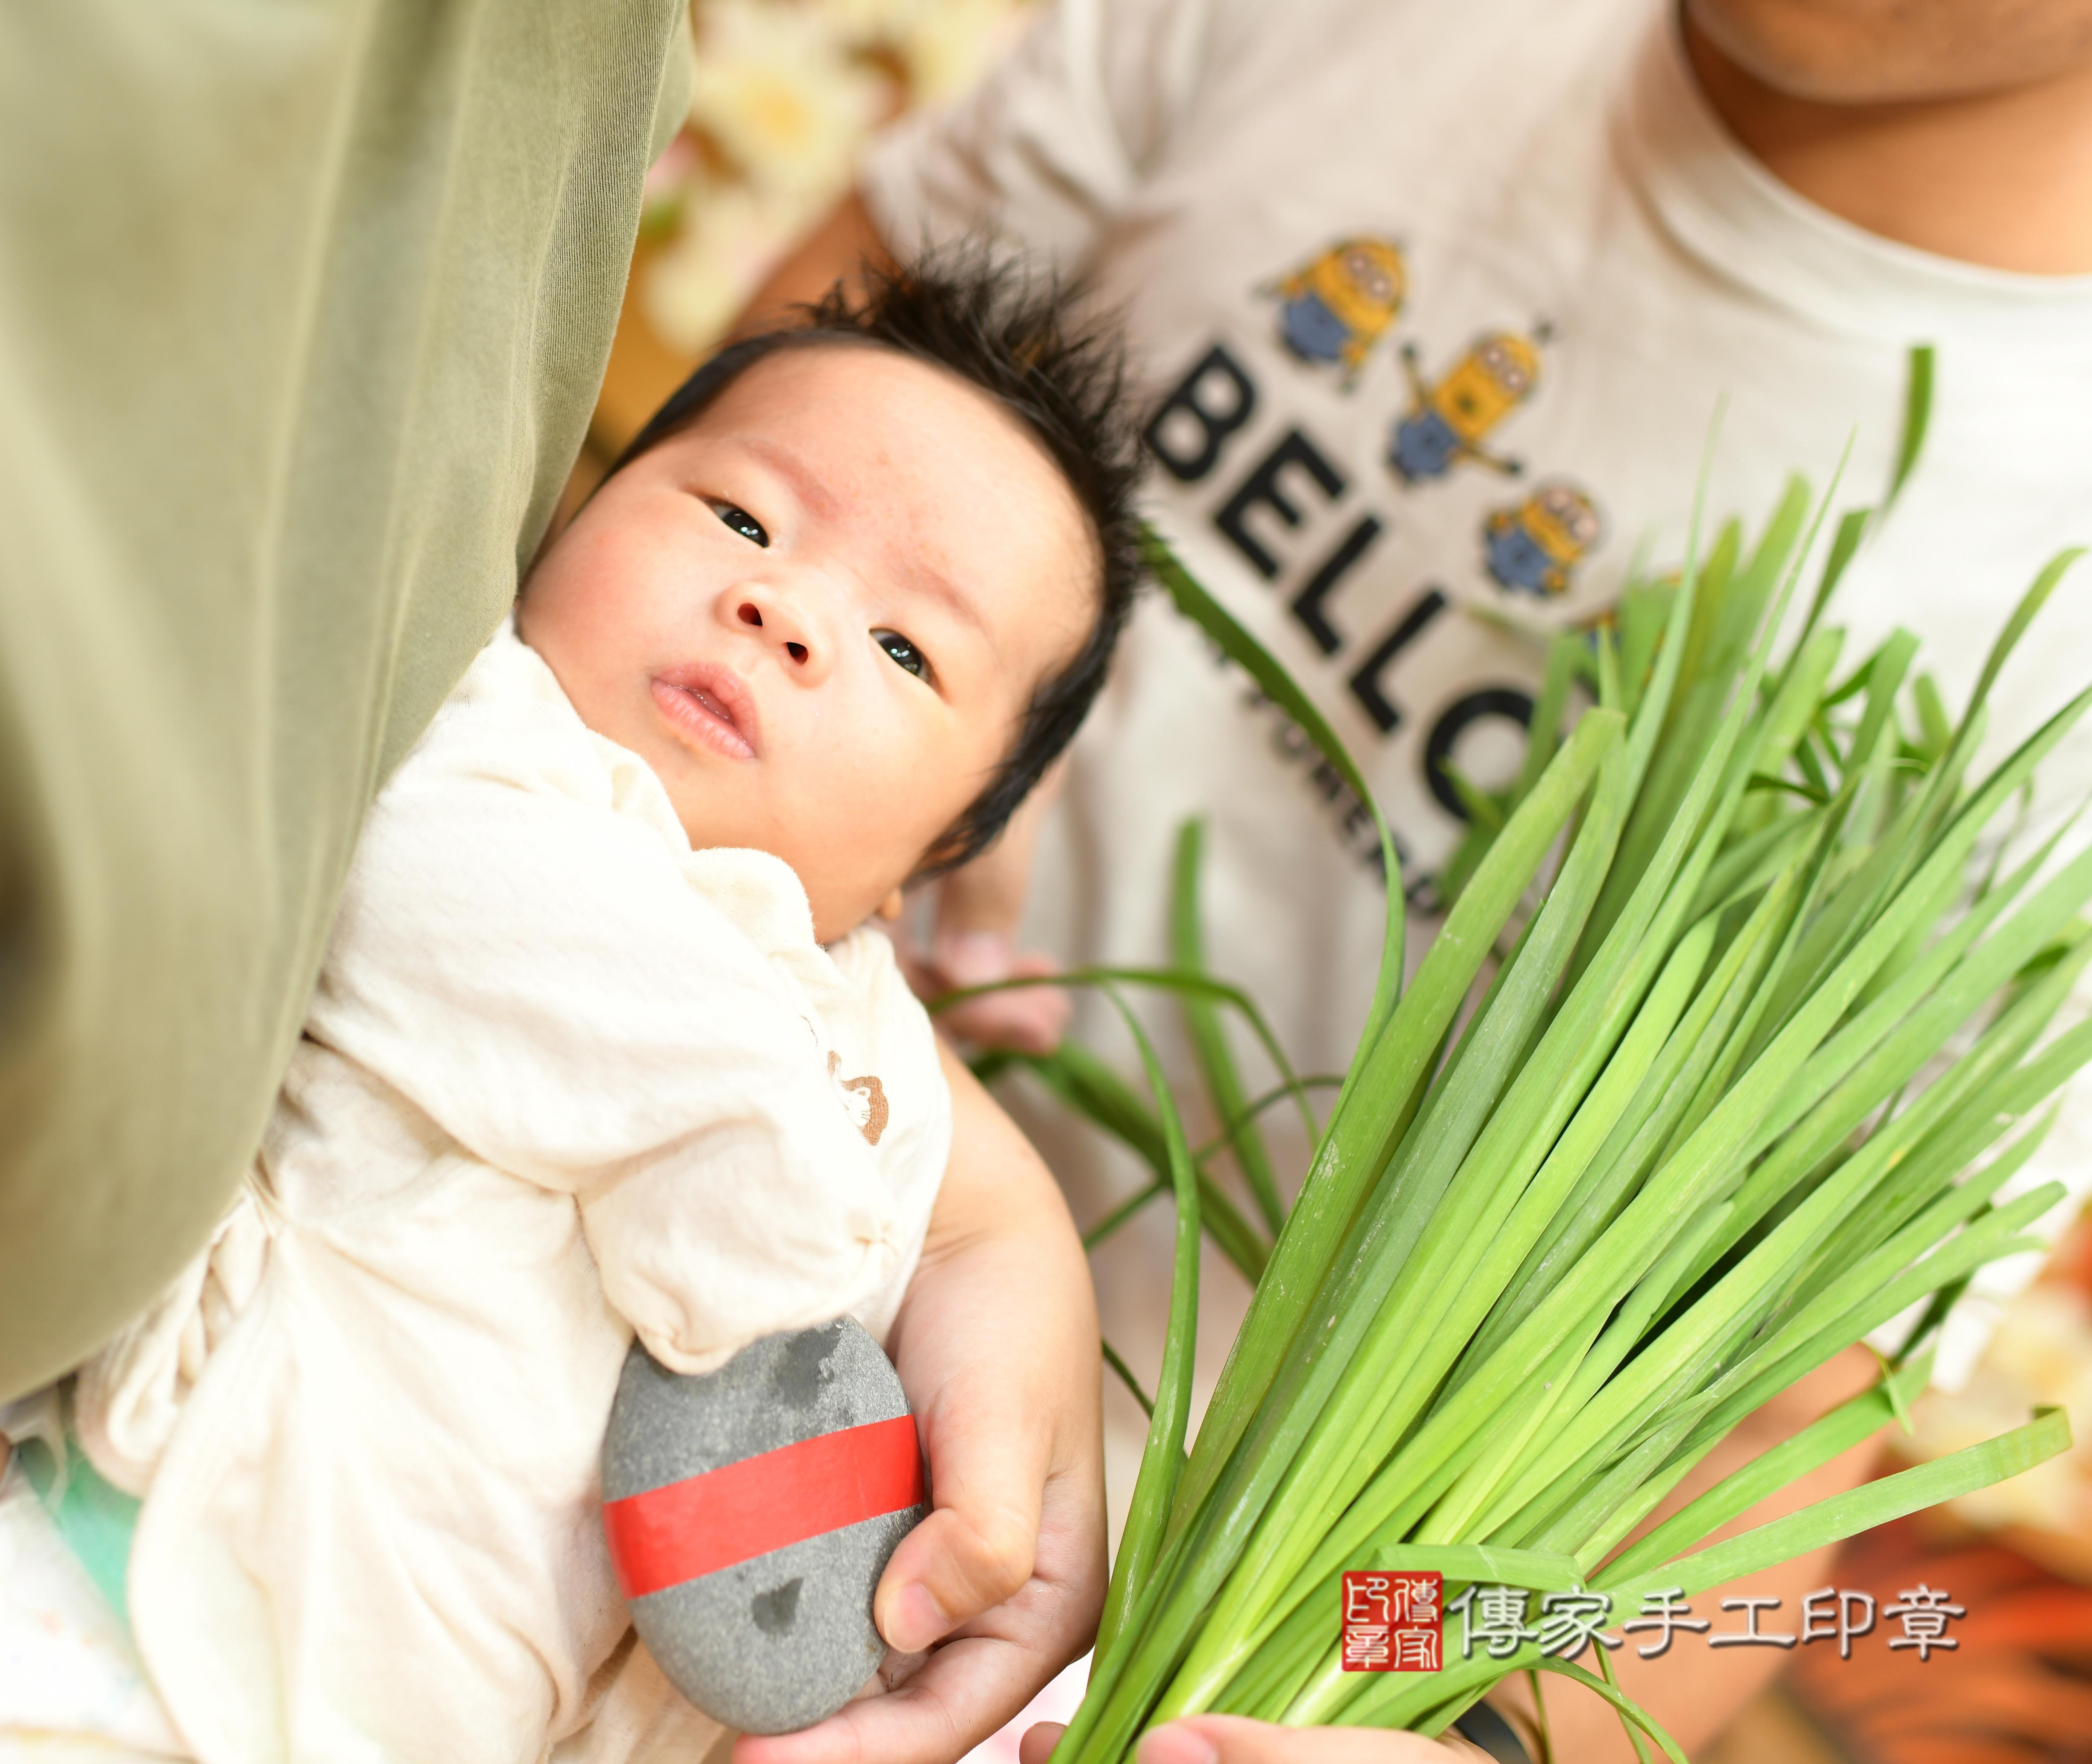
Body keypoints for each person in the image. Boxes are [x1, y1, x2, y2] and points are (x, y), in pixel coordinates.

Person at [0, 10, 1106, 1764]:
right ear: (573, 502)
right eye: (744, 520)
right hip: (63, 1530)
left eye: (909, 649)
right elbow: (596, 1031)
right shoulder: (489, 754)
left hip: (395, 1714)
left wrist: (983, 1245)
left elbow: (884, 1290)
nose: (786, 611)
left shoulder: (855, 1048)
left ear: (946, 851)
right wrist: (810, 1227)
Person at [752, 0, 2092, 1758]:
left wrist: (1486, 1737)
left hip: (1100, 1666)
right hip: (610, 1165)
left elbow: (1777, 1435)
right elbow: (785, 407)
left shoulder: (2050, 578)